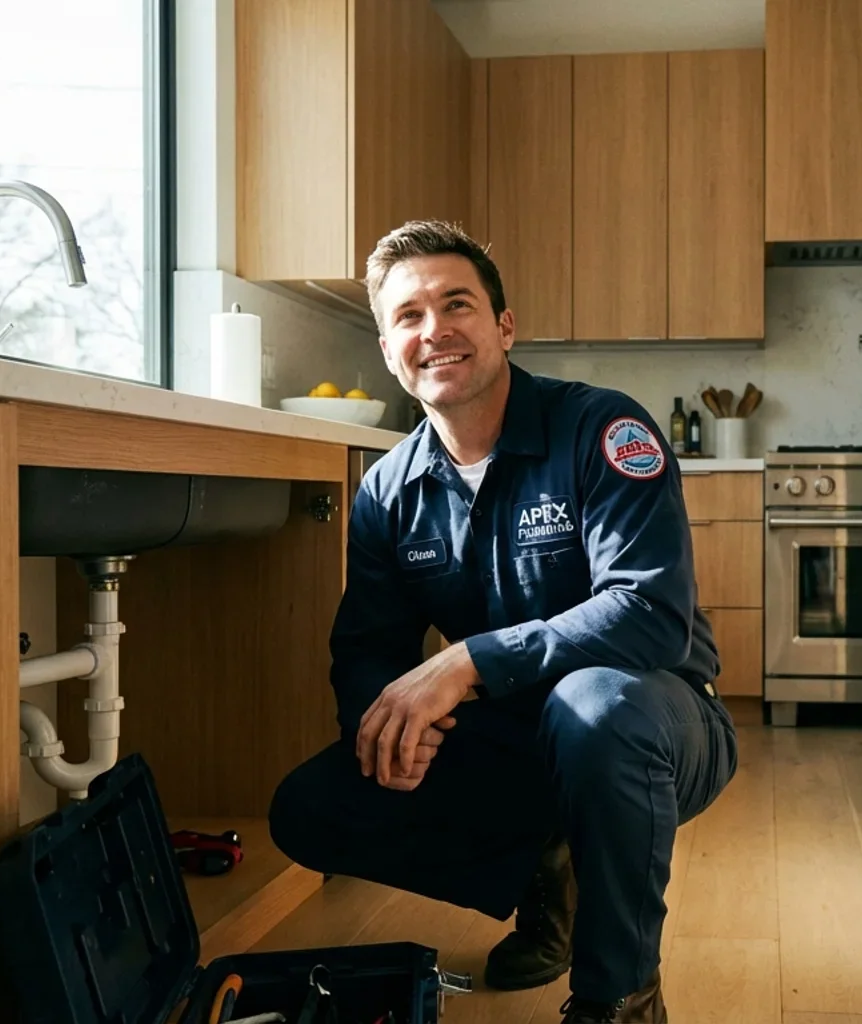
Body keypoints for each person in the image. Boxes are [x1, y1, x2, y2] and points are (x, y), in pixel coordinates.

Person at [268, 220, 739, 1023]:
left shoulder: (600, 430)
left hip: (652, 720)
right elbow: (366, 649)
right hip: (511, 737)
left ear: (503, 326)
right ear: (388, 350)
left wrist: (462, 664)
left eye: (457, 305)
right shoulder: (389, 489)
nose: (435, 330)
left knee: (595, 708)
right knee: (309, 807)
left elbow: (652, 615)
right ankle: (546, 870)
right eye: (409, 317)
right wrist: (385, 730)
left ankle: (619, 996)